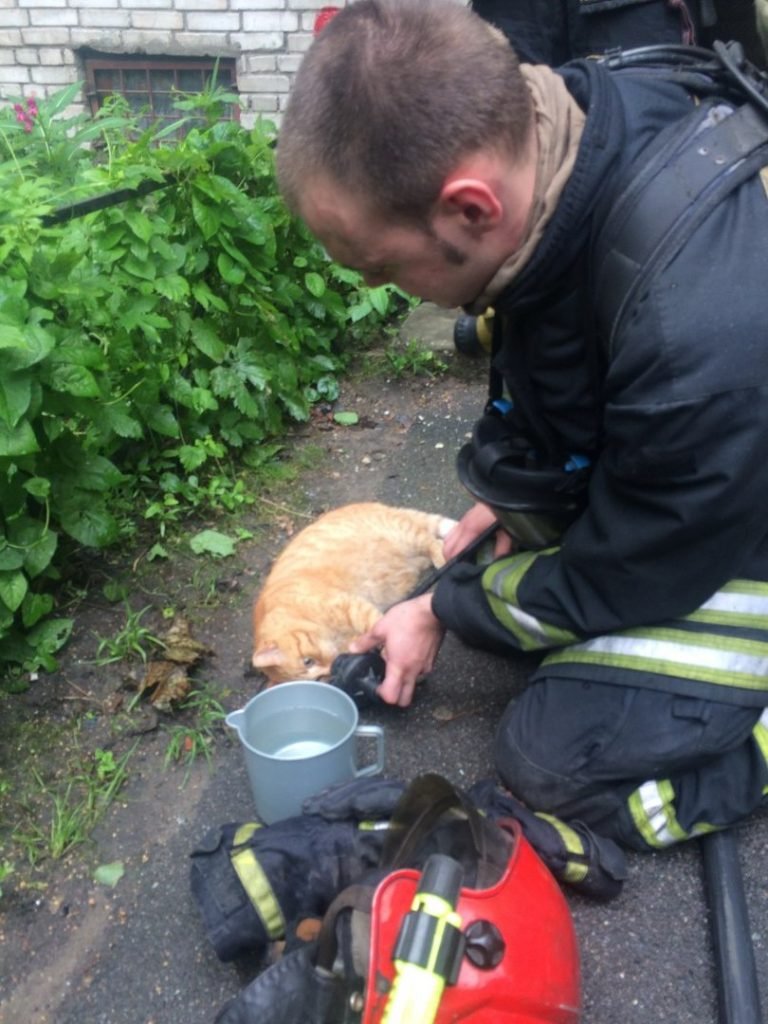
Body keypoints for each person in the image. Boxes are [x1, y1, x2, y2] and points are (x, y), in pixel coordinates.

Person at [275, 0, 768, 879]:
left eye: (382, 267)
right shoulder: (557, 153)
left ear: (469, 207)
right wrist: (502, 508)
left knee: (547, 764)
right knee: (505, 608)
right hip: (704, 480)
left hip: (725, 524)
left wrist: (443, 605)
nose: (390, 292)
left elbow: (639, 568)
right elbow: (564, 384)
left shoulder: (694, 328)